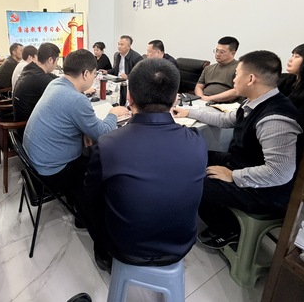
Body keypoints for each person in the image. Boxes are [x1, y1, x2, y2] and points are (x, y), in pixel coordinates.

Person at [76, 58, 207, 271]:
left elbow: (92, 193)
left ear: (129, 97)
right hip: (180, 244)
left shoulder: (109, 143)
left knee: (87, 198)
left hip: (125, 247)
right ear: (175, 99)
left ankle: (103, 252)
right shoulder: (197, 140)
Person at [174, 50, 304, 248]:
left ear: (251, 79)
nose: (233, 79)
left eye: (236, 74)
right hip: (243, 163)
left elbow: (280, 172)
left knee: (197, 184)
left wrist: (233, 175)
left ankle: (228, 229)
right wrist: (189, 112)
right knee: (193, 158)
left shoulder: (275, 119)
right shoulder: (254, 101)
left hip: (266, 190)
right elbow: (226, 119)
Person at [23, 49, 129, 194]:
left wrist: (84, 131)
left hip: (35, 161)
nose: (94, 78)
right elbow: (104, 133)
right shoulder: (77, 100)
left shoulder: (55, 83)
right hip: (52, 173)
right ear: (86, 74)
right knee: (103, 159)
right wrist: (113, 113)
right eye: (94, 74)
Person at [13, 43, 59, 122]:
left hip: (23, 118)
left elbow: (55, 79)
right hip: (27, 124)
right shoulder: (40, 78)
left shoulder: (32, 68)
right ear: (50, 60)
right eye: (57, 60)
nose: (56, 64)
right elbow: (62, 91)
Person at [194, 36, 240, 102]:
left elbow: (236, 91)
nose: (217, 54)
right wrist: (201, 98)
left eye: (222, 52)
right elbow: (198, 86)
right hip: (203, 100)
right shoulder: (208, 68)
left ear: (232, 53)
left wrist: (210, 98)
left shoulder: (240, 69)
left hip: (224, 104)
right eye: (216, 50)